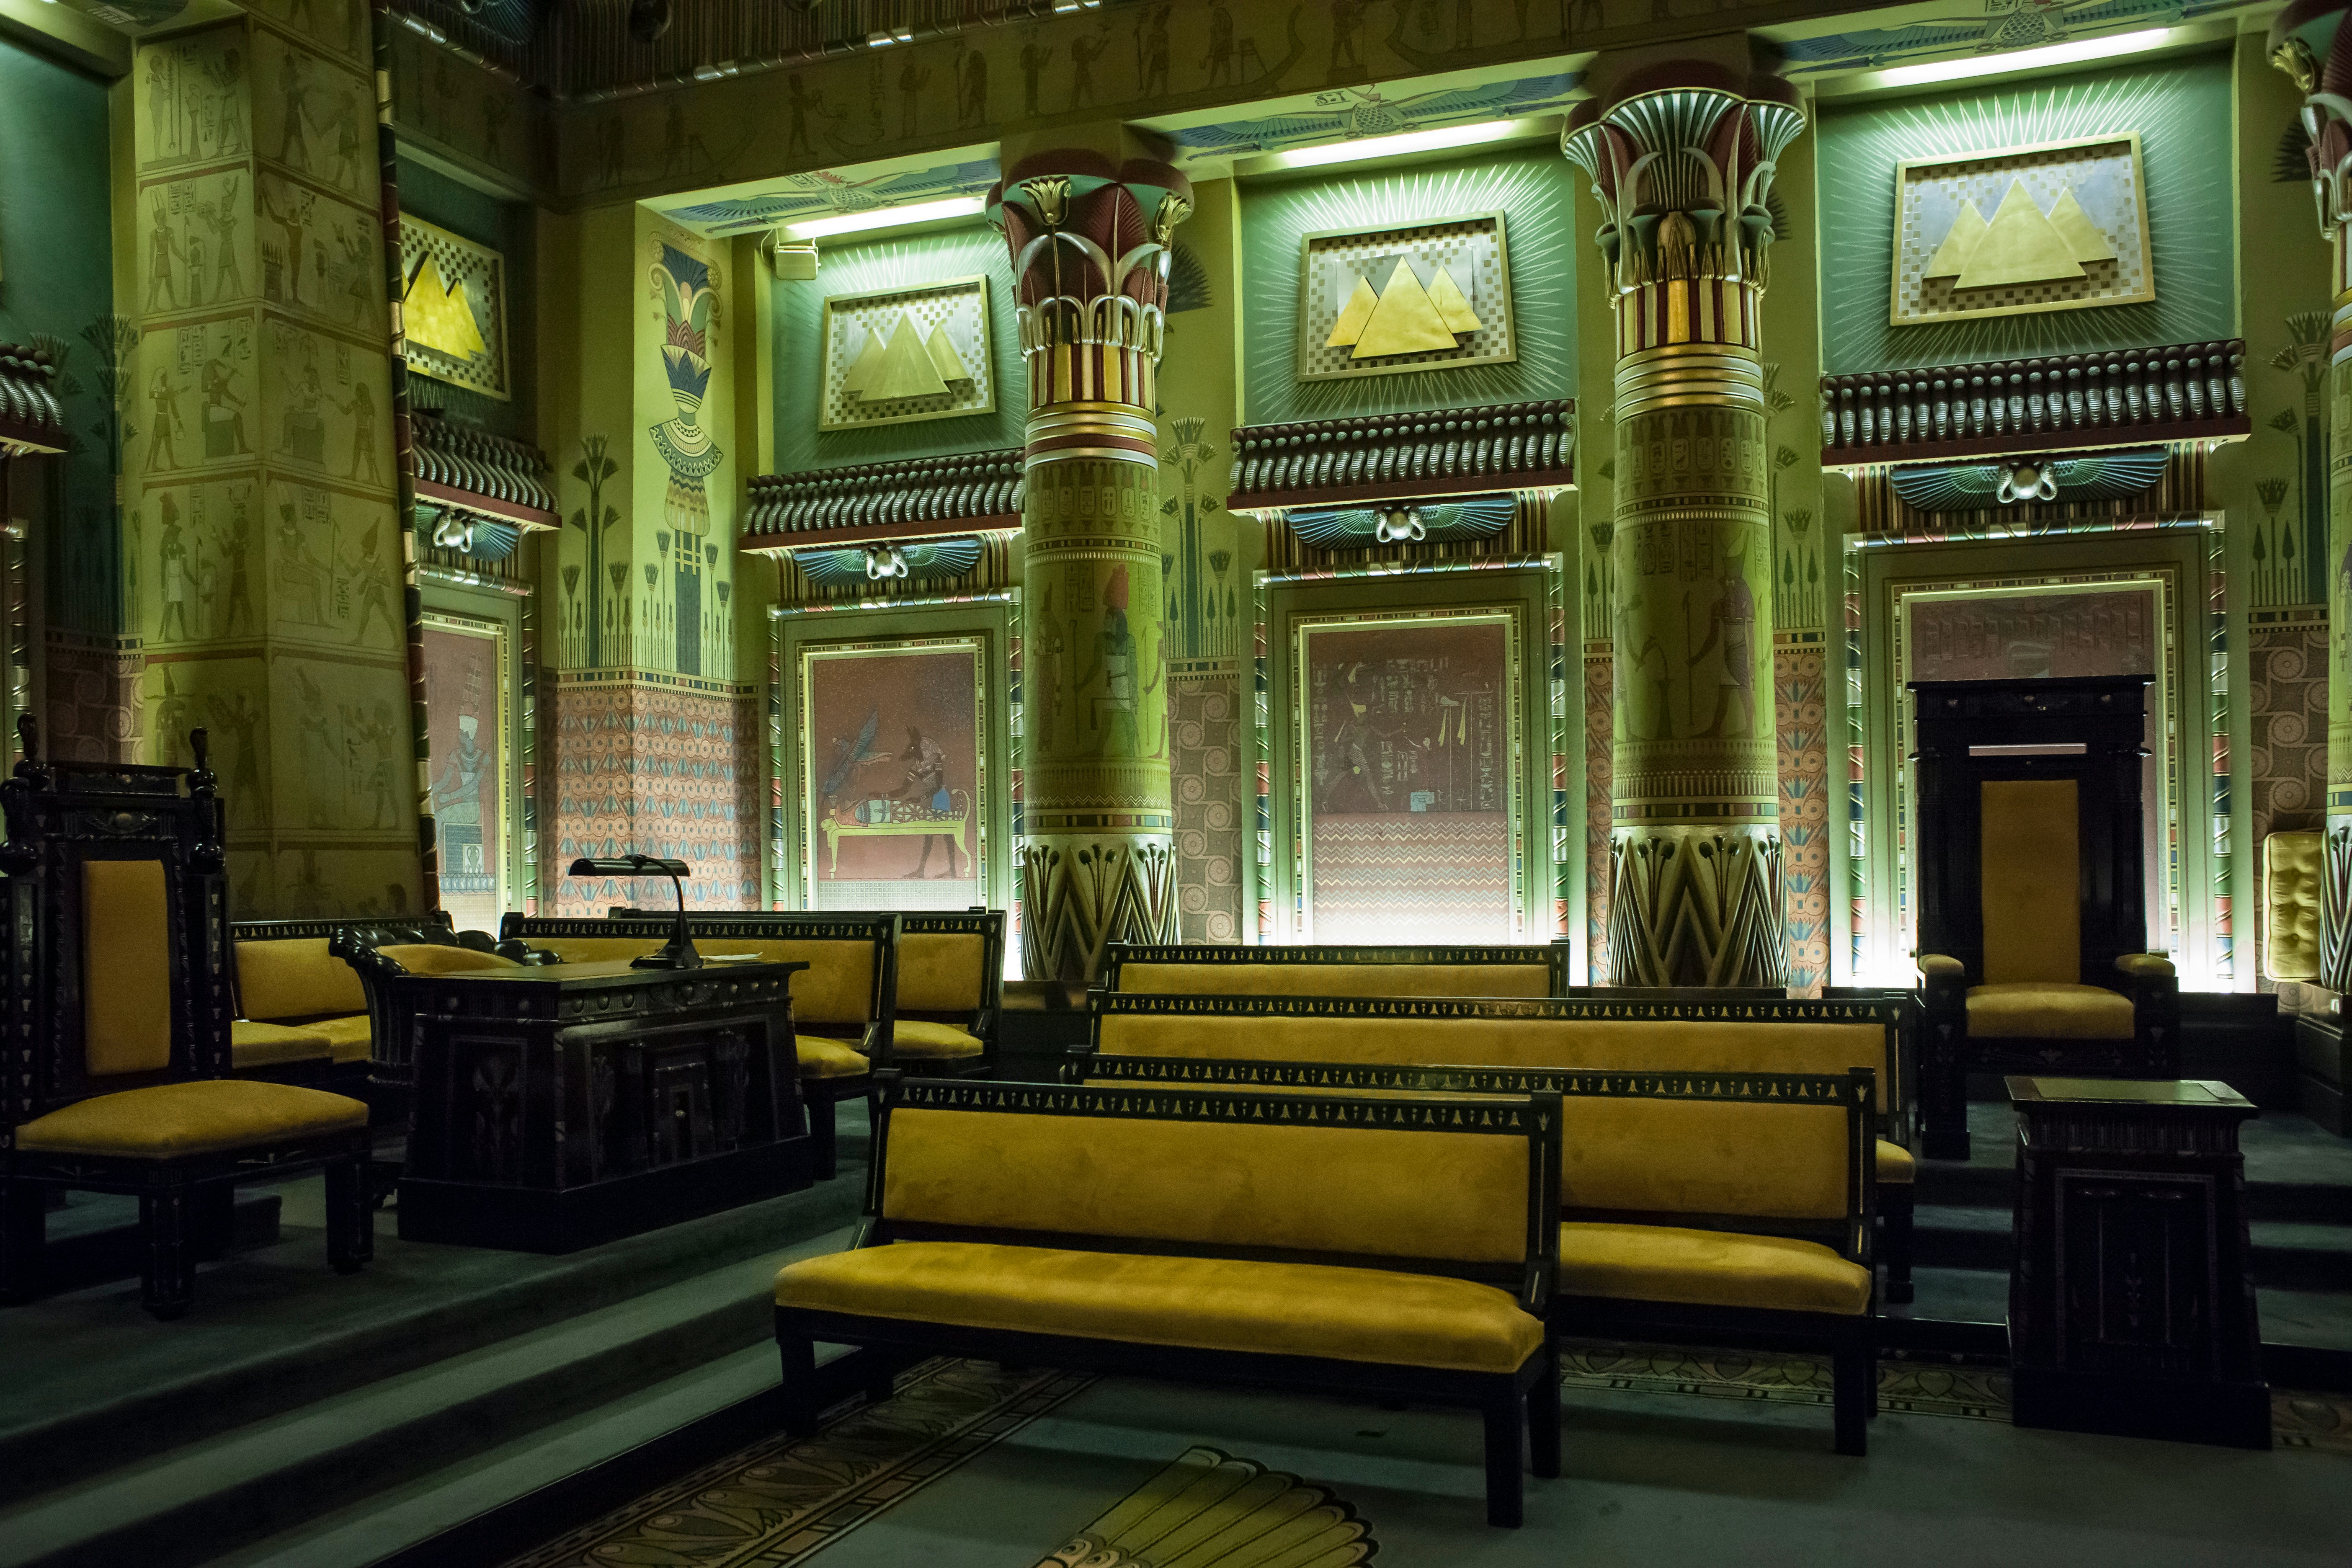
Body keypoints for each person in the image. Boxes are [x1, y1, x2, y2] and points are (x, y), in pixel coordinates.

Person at [893, 725, 959, 879]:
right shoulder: (918, 767)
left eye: (915, 748)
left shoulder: (935, 760)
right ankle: (929, 871)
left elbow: (937, 788)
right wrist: (883, 795)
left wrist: (920, 799)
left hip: (941, 796)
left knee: (942, 834)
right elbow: (904, 790)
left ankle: (938, 871)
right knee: (934, 835)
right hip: (937, 798)